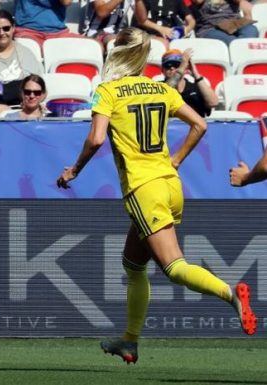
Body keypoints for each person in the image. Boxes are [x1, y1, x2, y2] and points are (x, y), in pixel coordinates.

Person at [56, 27, 257, 364]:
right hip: (169, 185)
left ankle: (231, 294)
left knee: (174, 267)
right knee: (132, 264)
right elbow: (201, 125)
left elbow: (95, 139)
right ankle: (129, 340)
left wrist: (74, 170)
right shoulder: (160, 89)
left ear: (117, 53)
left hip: (143, 188)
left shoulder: (108, 91)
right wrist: (176, 160)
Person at [160, 49, 218, 117]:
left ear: (186, 68)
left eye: (177, 65)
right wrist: (181, 69)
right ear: (162, 70)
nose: (172, 68)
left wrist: (195, 73)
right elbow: (163, 97)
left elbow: (213, 103)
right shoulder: (157, 87)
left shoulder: (197, 88)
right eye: (168, 65)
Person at [13, 0, 85, 48]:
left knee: (93, 45)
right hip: (28, 32)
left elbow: (66, 1)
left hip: (59, 33)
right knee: (30, 49)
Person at [191, 0, 258, 46]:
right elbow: (198, 1)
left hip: (235, 23)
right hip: (211, 27)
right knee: (233, 42)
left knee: (252, 30)